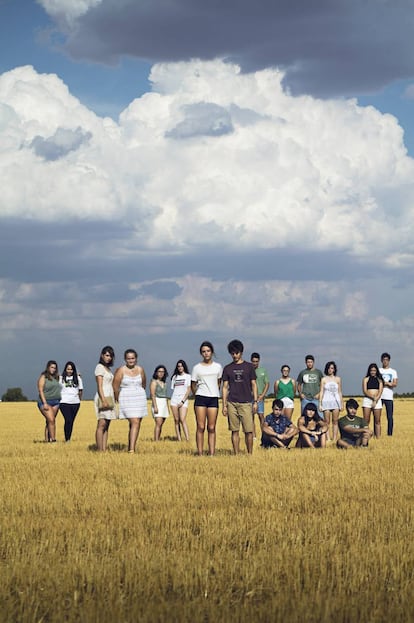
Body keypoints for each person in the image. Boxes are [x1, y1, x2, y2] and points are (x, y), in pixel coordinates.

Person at [222, 339, 258, 455]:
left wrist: (255, 401)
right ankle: (236, 454)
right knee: (234, 430)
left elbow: (253, 384)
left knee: (249, 430)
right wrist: (224, 405)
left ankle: (249, 453)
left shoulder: (249, 367)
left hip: (246, 402)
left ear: (241, 352)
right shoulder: (227, 368)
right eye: (232, 353)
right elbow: (225, 387)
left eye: (236, 353)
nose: (234, 355)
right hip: (232, 402)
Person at [191, 341, 223, 456]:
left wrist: (214, 390)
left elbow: (219, 381)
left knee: (212, 427)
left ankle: (212, 453)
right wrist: (197, 394)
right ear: (201, 353)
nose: (206, 353)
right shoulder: (196, 368)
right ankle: (200, 453)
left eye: (208, 351)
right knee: (200, 426)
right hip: (200, 398)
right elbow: (193, 384)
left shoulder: (218, 367)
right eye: (204, 351)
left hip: (213, 398)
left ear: (212, 352)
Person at [113, 349, 147, 453]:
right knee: (135, 422)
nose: (131, 360)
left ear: (136, 359)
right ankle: (131, 450)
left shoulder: (140, 369)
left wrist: (139, 393)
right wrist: (118, 399)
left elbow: (144, 383)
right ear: (125, 359)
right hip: (126, 398)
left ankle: (131, 445)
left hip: (139, 398)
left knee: (136, 423)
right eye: (128, 358)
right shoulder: (121, 370)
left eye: (132, 358)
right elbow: (115, 387)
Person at [94, 346, 117, 451]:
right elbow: (99, 386)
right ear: (102, 355)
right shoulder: (99, 367)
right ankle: (99, 450)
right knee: (101, 424)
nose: (109, 358)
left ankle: (104, 449)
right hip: (103, 395)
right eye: (107, 355)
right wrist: (103, 400)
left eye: (110, 356)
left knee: (107, 424)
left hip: (110, 396)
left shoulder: (108, 369)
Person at [59, 361, 83, 442]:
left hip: (75, 403)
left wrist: (79, 399)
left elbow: (80, 390)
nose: (69, 371)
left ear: (73, 370)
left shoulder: (78, 378)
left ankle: (68, 438)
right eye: (68, 369)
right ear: (65, 369)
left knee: (71, 422)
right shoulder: (61, 378)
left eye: (71, 369)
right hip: (64, 402)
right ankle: (67, 438)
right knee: (68, 420)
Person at [37, 360, 61, 442]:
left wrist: (77, 375)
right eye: (52, 367)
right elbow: (40, 390)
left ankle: (47, 440)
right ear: (48, 367)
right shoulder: (43, 377)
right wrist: (45, 403)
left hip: (56, 402)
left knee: (49, 422)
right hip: (46, 402)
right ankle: (53, 439)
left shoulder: (56, 377)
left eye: (55, 368)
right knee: (51, 420)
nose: (53, 369)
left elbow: (66, 377)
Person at [319, 361, 343, 442]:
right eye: (329, 368)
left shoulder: (338, 379)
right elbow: (321, 391)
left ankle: (335, 438)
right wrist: (320, 404)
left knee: (335, 421)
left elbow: (339, 392)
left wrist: (341, 404)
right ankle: (328, 438)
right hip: (326, 402)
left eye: (332, 368)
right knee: (326, 422)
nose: (330, 369)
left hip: (336, 402)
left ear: (334, 369)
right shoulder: (323, 379)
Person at [170, 360, 191, 441]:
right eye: (178, 366)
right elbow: (174, 389)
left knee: (182, 419)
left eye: (181, 366)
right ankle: (179, 439)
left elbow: (188, 390)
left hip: (183, 400)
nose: (180, 368)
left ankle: (187, 439)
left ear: (184, 367)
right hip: (174, 400)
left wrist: (182, 401)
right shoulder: (174, 377)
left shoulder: (188, 376)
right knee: (176, 420)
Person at [362, 363, 384, 438]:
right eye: (371, 370)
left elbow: (380, 391)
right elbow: (365, 391)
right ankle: (366, 437)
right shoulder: (365, 379)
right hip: (367, 400)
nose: (373, 372)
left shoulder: (380, 380)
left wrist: (375, 400)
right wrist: (372, 398)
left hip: (377, 401)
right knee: (366, 421)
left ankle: (378, 437)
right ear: (369, 371)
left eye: (374, 370)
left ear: (376, 371)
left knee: (377, 421)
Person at [250, 352, 269, 437]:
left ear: (259, 361)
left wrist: (263, 395)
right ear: (251, 361)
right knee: (251, 417)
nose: (255, 363)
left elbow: (267, 384)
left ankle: (263, 434)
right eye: (253, 361)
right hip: (250, 397)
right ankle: (254, 436)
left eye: (256, 361)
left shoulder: (263, 370)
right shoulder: (249, 370)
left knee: (261, 416)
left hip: (260, 397)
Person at [379, 352, 398, 436]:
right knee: (377, 416)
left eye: (387, 360)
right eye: (384, 360)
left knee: (389, 417)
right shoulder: (379, 370)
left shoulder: (393, 371)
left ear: (389, 361)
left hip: (389, 397)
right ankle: (377, 434)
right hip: (379, 396)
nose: (385, 361)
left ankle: (389, 434)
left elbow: (395, 384)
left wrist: (385, 383)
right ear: (381, 360)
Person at [150, 365, 169, 441]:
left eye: (163, 372)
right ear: (156, 372)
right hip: (157, 402)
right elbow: (152, 395)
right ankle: (156, 440)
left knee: (161, 424)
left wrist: (167, 407)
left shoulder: (165, 383)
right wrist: (155, 406)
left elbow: (165, 396)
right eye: (159, 371)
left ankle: (158, 438)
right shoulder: (154, 382)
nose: (161, 373)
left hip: (164, 403)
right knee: (158, 423)